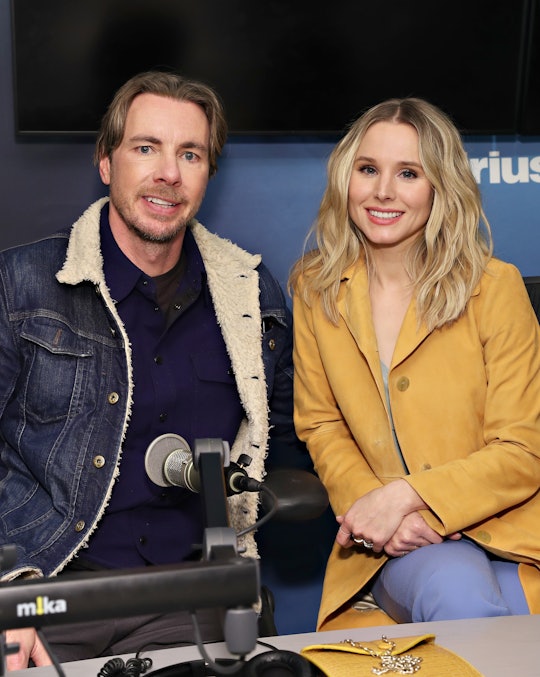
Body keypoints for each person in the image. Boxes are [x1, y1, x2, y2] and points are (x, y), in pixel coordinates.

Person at [0, 70, 302, 668]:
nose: (169, 172)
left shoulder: (249, 297)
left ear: (208, 173)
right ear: (106, 162)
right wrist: (10, 591)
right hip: (45, 590)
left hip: (185, 602)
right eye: (146, 148)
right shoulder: (20, 285)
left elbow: (292, 438)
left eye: (189, 153)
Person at [289, 97, 540, 632]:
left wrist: (406, 496)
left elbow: (522, 450)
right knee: (459, 594)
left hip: (512, 531)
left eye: (408, 173)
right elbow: (320, 424)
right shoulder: (315, 288)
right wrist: (375, 513)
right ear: (345, 179)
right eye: (368, 170)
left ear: (439, 187)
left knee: (502, 623)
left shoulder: (496, 288)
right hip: (394, 544)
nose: (383, 191)